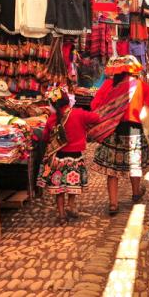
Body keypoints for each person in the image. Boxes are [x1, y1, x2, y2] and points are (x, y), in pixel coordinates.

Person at [89, 56, 149, 215]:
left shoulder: (109, 85)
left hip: (113, 130)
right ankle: (136, 193)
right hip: (134, 129)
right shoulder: (140, 86)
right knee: (134, 164)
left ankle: (113, 204)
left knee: (112, 170)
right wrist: (144, 118)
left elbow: (94, 105)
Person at [39, 86, 100, 224]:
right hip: (75, 158)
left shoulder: (51, 120)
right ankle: (71, 206)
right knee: (73, 185)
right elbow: (96, 118)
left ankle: (61, 215)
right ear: (68, 101)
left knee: (59, 189)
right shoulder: (79, 114)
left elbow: (44, 138)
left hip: (58, 159)